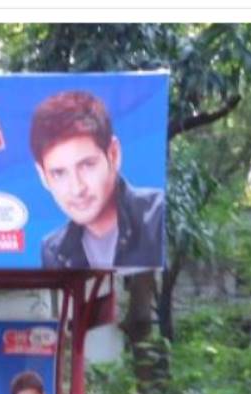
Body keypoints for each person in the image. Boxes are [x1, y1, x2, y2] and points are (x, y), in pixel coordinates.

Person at [30, 89, 164, 270]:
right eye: (59, 173)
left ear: (114, 155)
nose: (77, 188)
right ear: (43, 177)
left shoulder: (158, 217)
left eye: (87, 165)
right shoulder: (54, 250)